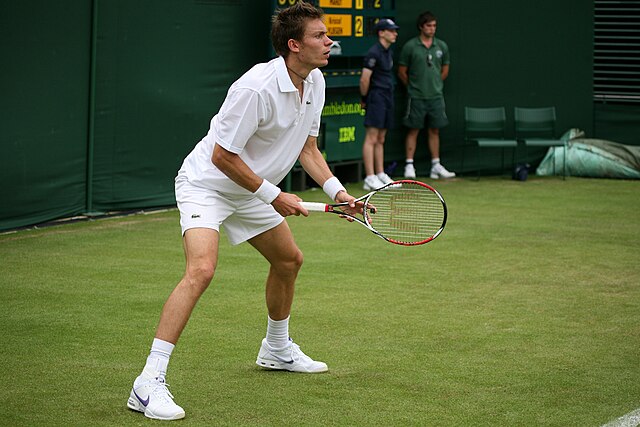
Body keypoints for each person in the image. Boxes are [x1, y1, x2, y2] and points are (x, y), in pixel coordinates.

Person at [126, 2, 360, 421]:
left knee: (289, 260)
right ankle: (148, 382)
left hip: (251, 189)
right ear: (293, 45)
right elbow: (222, 156)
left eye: (327, 35)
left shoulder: (317, 80)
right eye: (319, 36)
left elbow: (308, 149)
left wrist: (337, 191)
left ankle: (276, 349)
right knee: (202, 270)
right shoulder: (255, 87)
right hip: (208, 186)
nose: (330, 41)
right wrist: (275, 195)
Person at [398, 11, 455, 180]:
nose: (432, 29)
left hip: (436, 96)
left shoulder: (441, 46)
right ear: (421, 27)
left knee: (435, 130)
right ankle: (409, 165)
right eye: (429, 25)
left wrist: (435, 83)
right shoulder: (410, 46)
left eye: (434, 25)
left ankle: (436, 165)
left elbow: (444, 70)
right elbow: (402, 72)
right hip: (416, 96)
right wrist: (414, 87)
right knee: (413, 129)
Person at [359, 18, 399, 190]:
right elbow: (364, 79)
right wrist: (365, 98)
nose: (395, 33)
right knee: (372, 138)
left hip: (387, 97)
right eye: (391, 30)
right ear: (381, 33)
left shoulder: (388, 52)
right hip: (376, 98)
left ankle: (380, 174)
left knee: (381, 138)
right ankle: (369, 177)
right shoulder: (373, 52)